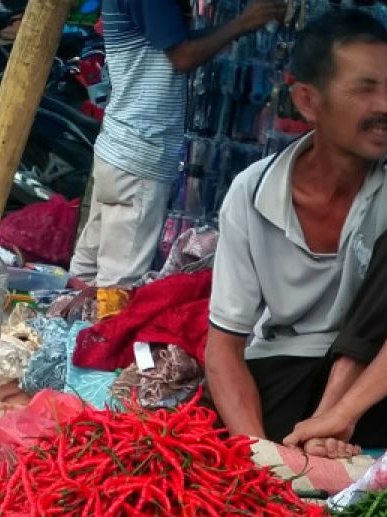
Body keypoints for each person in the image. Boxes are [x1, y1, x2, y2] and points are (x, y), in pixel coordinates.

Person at [205, 9, 387, 459]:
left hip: (378, 393)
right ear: (308, 101)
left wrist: (341, 411)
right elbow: (223, 350)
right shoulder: (251, 192)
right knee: (236, 425)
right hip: (284, 377)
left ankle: (331, 420)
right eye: (364, 89)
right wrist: (257, 455)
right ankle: (313, 437)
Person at [69, 0, 286, 297]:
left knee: (87, 270)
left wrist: (232, 29)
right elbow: (182, 56)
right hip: (140, 152)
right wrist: (242, 23)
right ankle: (93, 337)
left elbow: (177, 45)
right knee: (117, 286)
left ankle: (65, 330)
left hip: (120, 146)